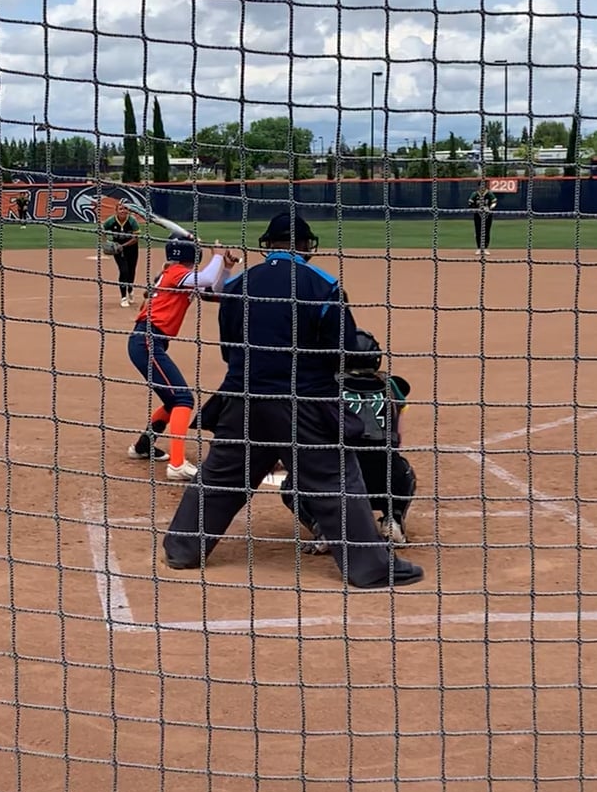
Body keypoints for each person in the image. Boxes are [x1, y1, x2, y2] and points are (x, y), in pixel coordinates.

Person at [161, 211, 423, 589]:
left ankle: (181, 548)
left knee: (221, 476)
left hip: (243, 397)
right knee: (334, 478)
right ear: (304, 245)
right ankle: (371, 567)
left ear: (269, 245)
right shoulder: (324, 285)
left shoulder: (238, 284)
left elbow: (228, 349)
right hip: (304, 403)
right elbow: (342, 351)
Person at [279, 329, 417, 548]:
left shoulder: (326, 386)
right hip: (384, 481)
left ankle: (323, 528)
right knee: (404, 472)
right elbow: (397, 438)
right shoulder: (391, 386)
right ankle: (393, 521)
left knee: (291, 485)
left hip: (338, 480)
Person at [125, 234, 241, 479]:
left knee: (173, 400)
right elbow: (207, 278)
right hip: (147, 341)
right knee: (183, 399)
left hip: (148, 342)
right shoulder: (176, 273)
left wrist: (225, 267)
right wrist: (217, 256)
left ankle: (143, 446)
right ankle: (177, 464)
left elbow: (216, 293)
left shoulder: (179, 276)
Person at [102, 201, 142, 307]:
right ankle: (123, 297)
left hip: (132, 249)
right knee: (124, 271)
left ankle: (130, 289)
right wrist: (105, 242)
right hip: (118, 251)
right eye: (120, 209)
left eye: (125, 209)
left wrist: (122, 246)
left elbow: (135, 238)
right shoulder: (111, 221)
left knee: (131, 271)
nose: (123, 211)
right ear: (116, 211)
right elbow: (101, 230)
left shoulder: (132, 221)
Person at [467, 181, 498, 255]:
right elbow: (470, 203)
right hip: (478, 215)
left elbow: (494, 202)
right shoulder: (475, 194)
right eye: (481, 186)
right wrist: (476, 208)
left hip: (488, 215)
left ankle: (485, 248)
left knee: (487, 231)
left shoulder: (489, 194)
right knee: (478, 231)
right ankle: (479, 248)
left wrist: (490, 208)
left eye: (484, 186)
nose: (482, 187)